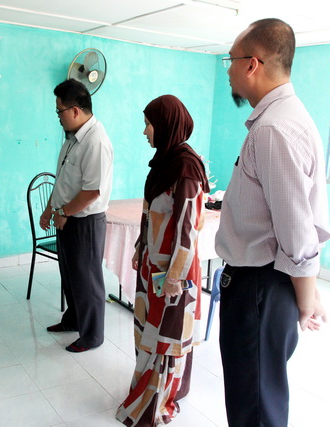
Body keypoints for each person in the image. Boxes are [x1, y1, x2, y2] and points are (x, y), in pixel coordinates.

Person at [215, 18, 330, 427]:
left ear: (252, 64)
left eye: (230, 60)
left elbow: (297, 232)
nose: (227, 70)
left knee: (255, 409)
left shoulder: (273, 130)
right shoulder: (286, 118)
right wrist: (306, 291)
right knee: (259, 398)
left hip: (259, 288)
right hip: (266, 285)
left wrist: (306, 298)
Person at [116, 95, 209, 426]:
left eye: (148, 124)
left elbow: (188, 230)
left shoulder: (186, 169)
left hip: (172, 274)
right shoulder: (164, 162)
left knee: (165, 339)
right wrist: (139, 248)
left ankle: (155, 402)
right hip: (152, 266)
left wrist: (174, 278)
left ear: (166, 125)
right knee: (149, 333)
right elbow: (150, 215)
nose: (144, 131)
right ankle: (145, 391)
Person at [41, 78, 113, 353]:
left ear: (74, 110)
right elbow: (64, 179)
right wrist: (50, 209)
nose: (57, 116)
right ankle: (73, 319)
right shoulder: (73, 138)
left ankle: (92, 335)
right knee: (70, 276)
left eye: (59, 111)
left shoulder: (96, 142)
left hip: (85, 223)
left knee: (87, 279)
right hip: (68, 218)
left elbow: (92, 192)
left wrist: (62, 212)